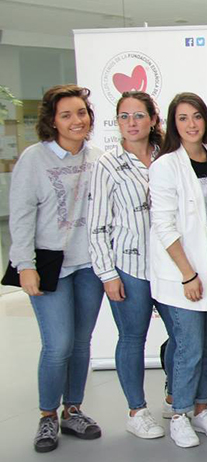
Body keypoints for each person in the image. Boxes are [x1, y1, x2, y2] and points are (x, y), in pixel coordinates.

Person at [10, 84, 105, 453]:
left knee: (81, 343)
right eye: (66, 115)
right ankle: (47, 416)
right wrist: (24, 266)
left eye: (81, 113)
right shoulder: (34, 159)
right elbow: (20, 216)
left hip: (90, 265)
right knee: (58, 345)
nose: (76, 120)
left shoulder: (97, 158)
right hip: (50, 265)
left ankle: (73, 410)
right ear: (52, 121)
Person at [88, 90, 174, 440]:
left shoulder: (169, 156)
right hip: (130, 268)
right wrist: (108, 275)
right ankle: (136, 410)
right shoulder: (107, 164)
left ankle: (175, 396)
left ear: (153, 119)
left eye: (139, 115)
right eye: (124, 116)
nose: (131, 123)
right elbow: (97, 225)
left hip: (171, 266)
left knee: (185, 336)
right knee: (132, 339)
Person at [148, 92, 207, 448]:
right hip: (183, 268)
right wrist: (187, 273)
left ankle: (201, 407)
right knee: (189, 346)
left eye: (197, 116)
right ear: (172, 124)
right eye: (183, 118)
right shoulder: (166, 165)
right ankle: (179, 413)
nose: (191, 124)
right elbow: (164, 226)